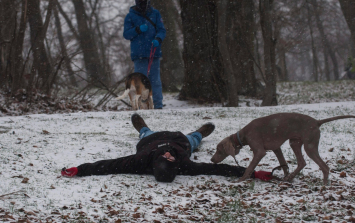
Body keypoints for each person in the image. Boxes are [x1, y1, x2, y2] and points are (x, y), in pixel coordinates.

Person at [61, 114, 273, 182]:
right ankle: (201, 132)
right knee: (194, 140)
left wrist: (80, 169)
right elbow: (216, 169)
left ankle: (141, 126)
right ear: (176, 164)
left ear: (155, 160)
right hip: (181, 141)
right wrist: (253, 173)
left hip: (150, 139)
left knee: (145, 133)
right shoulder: (184, 164)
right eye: (170, 158)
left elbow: (108, 165)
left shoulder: (140, 161)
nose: (168, 154)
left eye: (166, 156)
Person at [123, 0, 166, 109]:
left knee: (155, 80)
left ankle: (158, 105)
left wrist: (158, 39)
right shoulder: (130, 16)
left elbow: (162, 30)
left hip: (153, 52)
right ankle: (144, 105)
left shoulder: (155, 14)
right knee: (141, 82)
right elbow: (126, 34)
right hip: (139, 55)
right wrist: (137, 29)